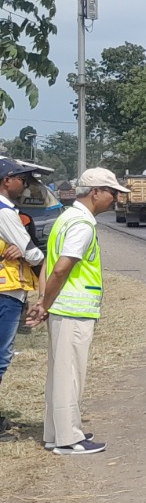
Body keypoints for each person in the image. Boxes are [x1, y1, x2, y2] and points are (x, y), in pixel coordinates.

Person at [27, 167, 130, 455]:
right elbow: (61, 267)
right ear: (95, 192)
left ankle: (56, 432)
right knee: (71, 374)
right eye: (112, 192)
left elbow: (49, 261)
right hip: (73, 309)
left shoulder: (66, 218)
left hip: (63, 307)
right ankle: (69, 439)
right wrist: (45, 303)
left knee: (60, 373)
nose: (115, 199)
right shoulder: (82, 225)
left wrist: (43, 300)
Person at [0, 158, 47, 442]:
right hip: (6, 294)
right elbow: (32, 253)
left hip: (9, 290)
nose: (25, 184)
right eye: (21, 178)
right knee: (1, 358)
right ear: (7, 180)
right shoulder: (5, 212)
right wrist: (37, 256)